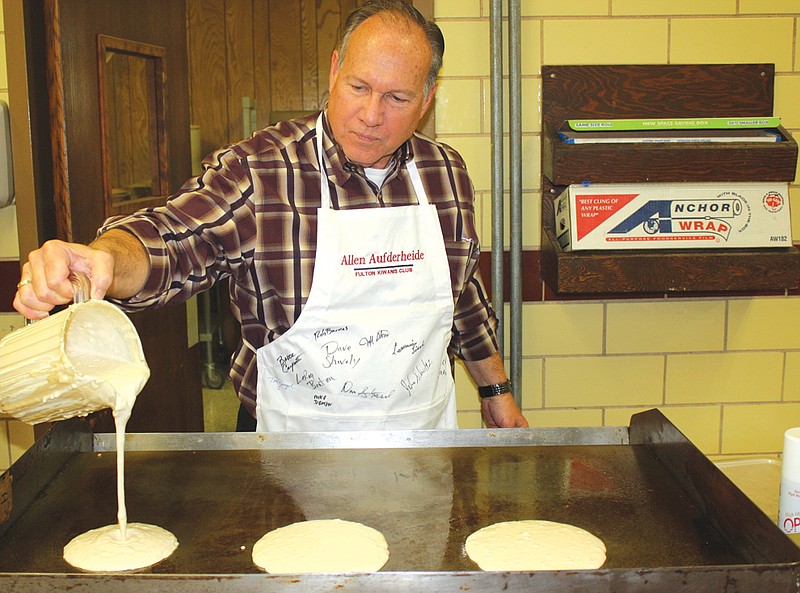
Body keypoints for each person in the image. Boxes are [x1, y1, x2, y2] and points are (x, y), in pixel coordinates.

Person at [14, 0, 528, 432]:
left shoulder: (445, 174)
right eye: (358, 87)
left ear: (427, 98)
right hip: (289, 447)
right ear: (333, 71)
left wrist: (496, 390)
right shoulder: (261, 170)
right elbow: (173, 241)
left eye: (397, 97)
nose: (372, 116)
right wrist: (103, 257)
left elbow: (461, 297)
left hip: (421, 440)